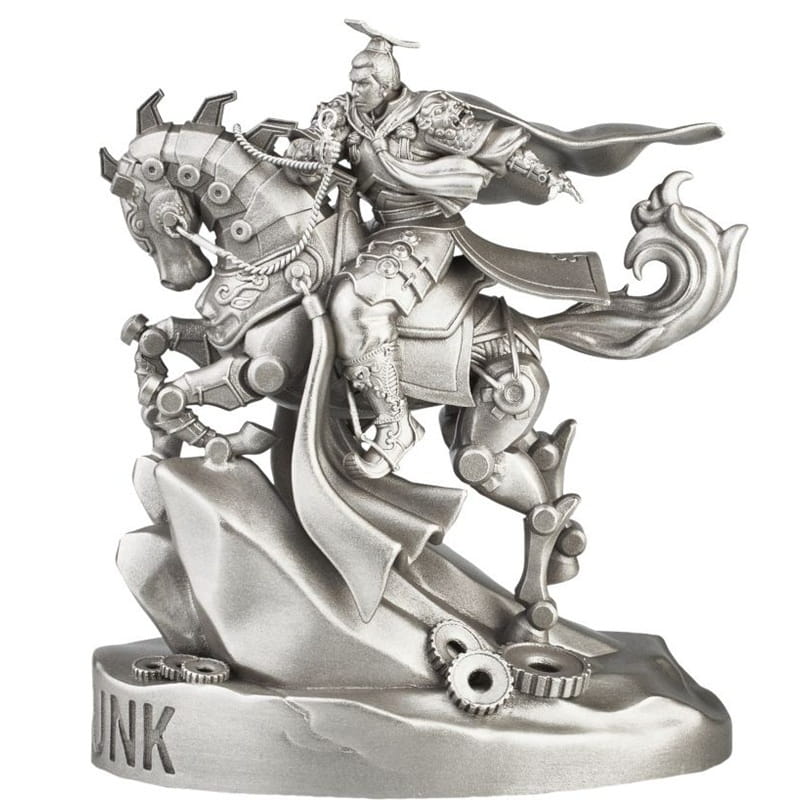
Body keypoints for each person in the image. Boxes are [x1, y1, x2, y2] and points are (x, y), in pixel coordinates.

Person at [285, 19, 722, 479]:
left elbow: (494, 146)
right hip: (371, 226)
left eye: (363, 82)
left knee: (356, 304)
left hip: (425, 232)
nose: (354, 88)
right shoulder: (344, 113)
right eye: (352, 80)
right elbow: (305, 154)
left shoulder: (430, 116)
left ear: (386, 83)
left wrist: (543, 175)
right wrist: (308, 152)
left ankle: (396, 425)